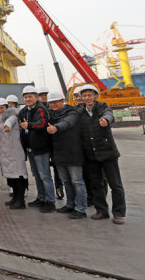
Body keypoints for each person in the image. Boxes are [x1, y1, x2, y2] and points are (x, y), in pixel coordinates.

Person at [77, 84, 126, 224]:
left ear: (95, 96)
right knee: (95, 184)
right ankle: (102, 211)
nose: (87, 98)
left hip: (107, 153)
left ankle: (118, 213)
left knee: (115, 184)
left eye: (89, 95)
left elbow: (109, 115)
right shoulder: (80, 112)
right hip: (91, 155)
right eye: (84, 96)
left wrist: (106, 120)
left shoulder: (103, 107)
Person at [46, 91, 87, 219]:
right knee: (66, 181)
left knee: (77, 181)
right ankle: (70, 205)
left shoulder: (72, 112)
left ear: (62, 101)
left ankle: (80, 209)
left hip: (73, 152)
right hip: (59, 153)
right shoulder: (51, 114)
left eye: (55, 102)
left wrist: (56, 127)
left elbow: (68, 122)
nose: (53, 105)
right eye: (51, 103)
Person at [18, 86, 56, 213]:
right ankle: (41, 197)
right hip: (30, 148)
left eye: (30, 96)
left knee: (44, 175)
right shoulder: (24, 111)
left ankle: (50, 201)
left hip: (41, 148)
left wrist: (29, 125)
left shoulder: (41, 109)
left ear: (35, 97)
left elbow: (42, 124)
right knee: (37, 174)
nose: (28, 99)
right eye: (25, 97)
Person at [0, 98, 28, 210]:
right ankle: (15, 198)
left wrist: (7, 127)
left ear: (6, 108)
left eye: (2, 108)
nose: (0, 110)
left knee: (18, 176)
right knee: (11, 178)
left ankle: (21, 201)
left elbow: (10, 123)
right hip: (5, 153)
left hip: (14, 152)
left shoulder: (12, 117)